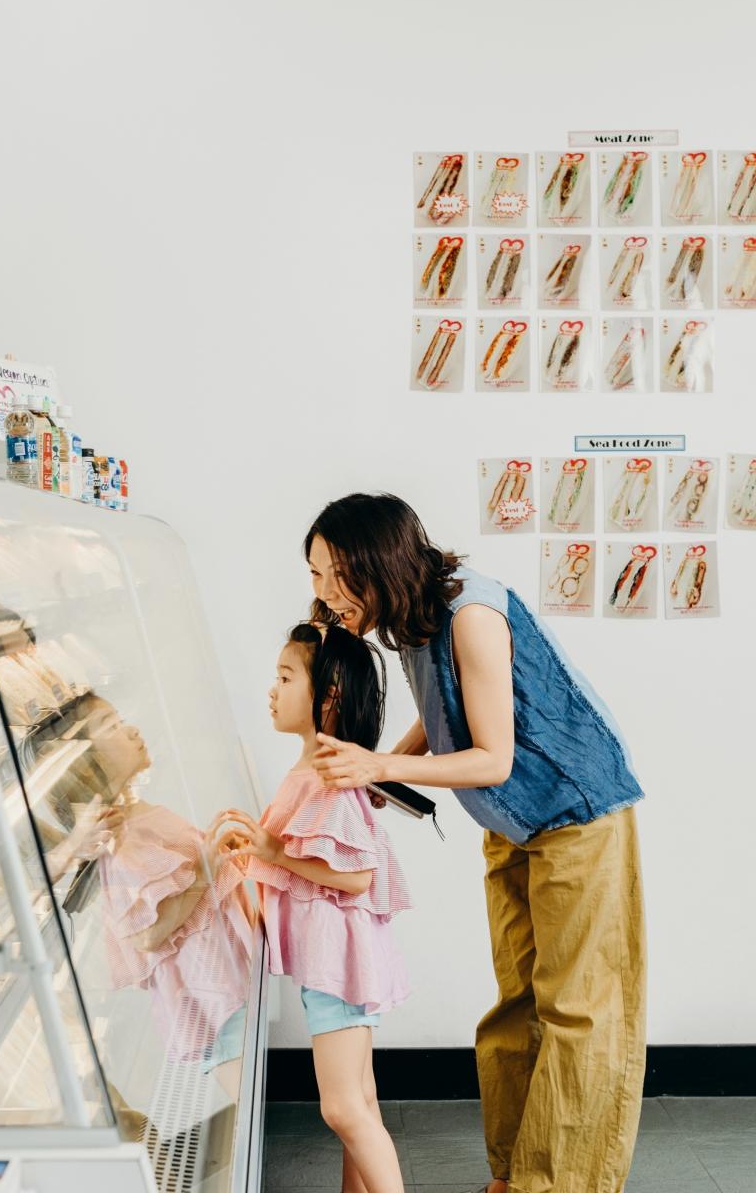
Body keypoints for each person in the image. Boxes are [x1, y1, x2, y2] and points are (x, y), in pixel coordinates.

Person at [303, 494, 646, 1193]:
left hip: (576, 815)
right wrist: (380, 777)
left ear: (373, 563)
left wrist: (383, 766)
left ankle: (555, 1186)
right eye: (313, 575)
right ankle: (514, 1173)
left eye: (328, 573)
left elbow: (492, 757)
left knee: (579, 1011)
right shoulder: (413, 621)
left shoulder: (473, 615)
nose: (320, 593)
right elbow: (443, 714)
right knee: (516, 1005)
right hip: (511, 825)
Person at [215, 623, 411, 1193]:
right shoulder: (310, 770)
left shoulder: (327, 774)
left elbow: (357, 875)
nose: (271, 691)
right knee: (360, 1103)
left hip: (340, 962)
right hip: (337, 958)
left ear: (327, 696)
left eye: (284, 677)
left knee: (344, 1110)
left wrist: (271, 850)